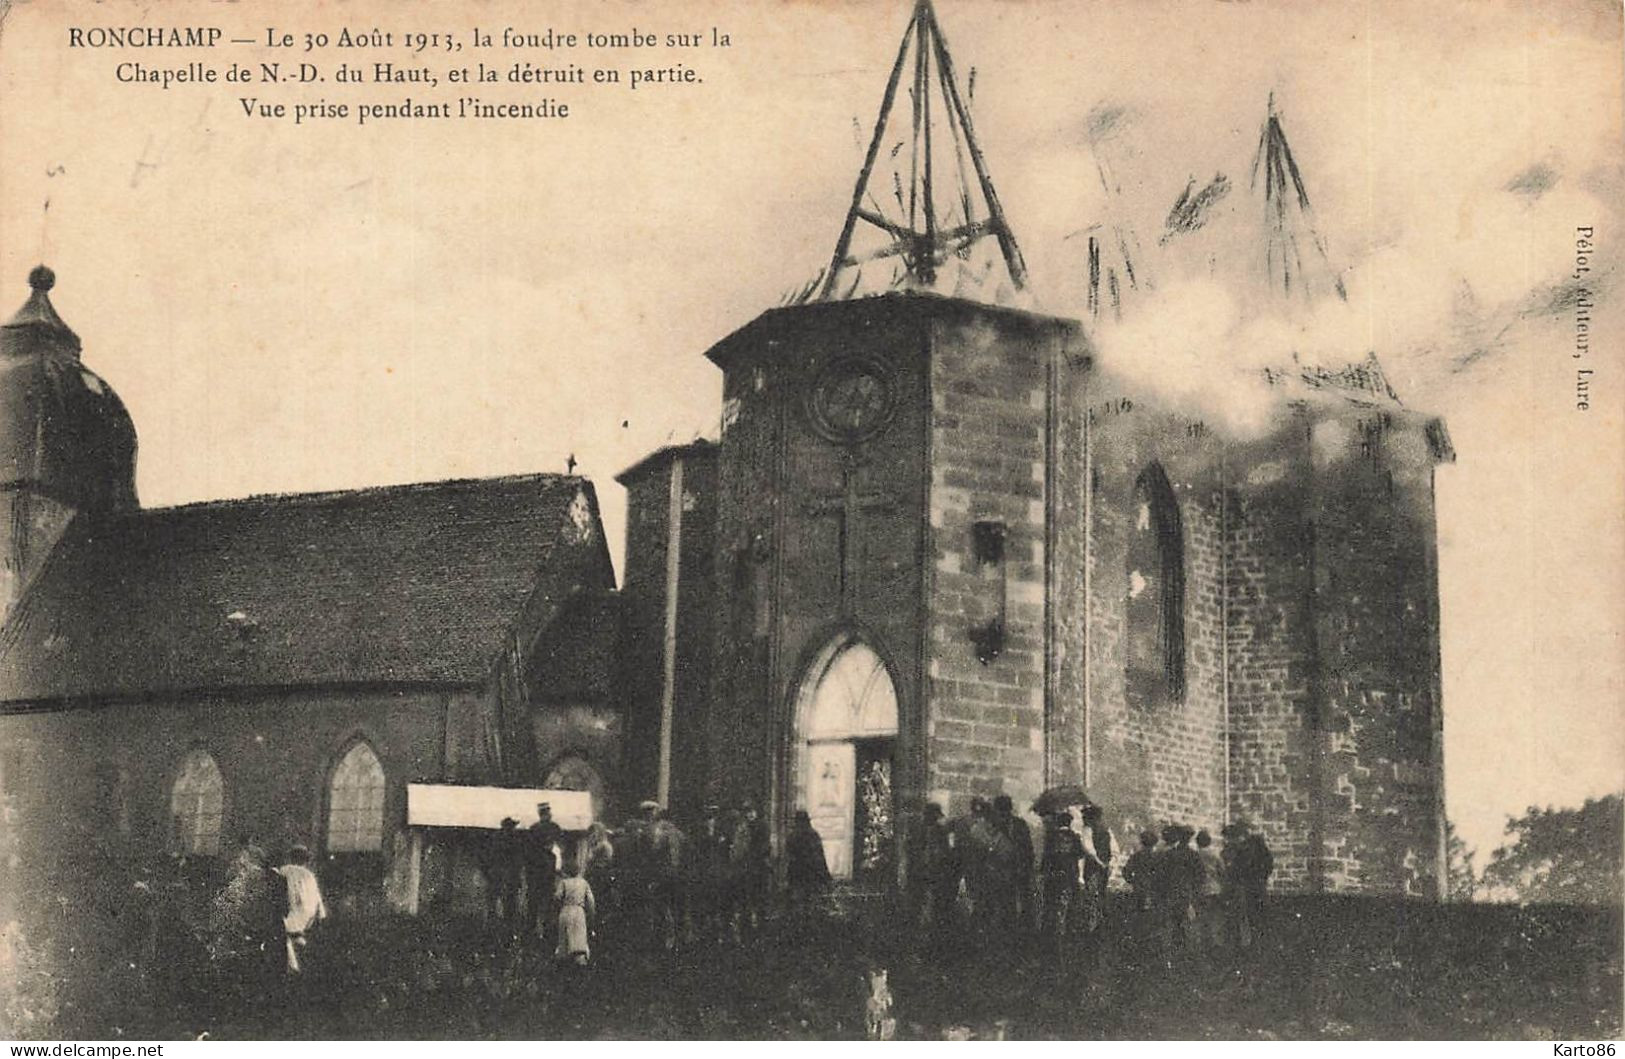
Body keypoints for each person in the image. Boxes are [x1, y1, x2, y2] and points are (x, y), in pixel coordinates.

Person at [272, 845, 327, 975]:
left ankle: (292, 967)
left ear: (291, 858)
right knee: (292, 932)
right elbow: (318, 898)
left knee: (281, 932)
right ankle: (297, 942)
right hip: (309, 915)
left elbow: (275, 875)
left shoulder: (286, 869)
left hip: (294, 913)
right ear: (305, 861)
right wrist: (320, 916)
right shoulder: (310, 875)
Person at [1221, 820, 1273, 949]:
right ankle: (1259, 943)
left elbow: (1239, 869)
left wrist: (1232, 870)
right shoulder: (1260, 847)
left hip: (1247, 886)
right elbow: (1269, 866)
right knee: (1258, 915)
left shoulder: (1245, 849)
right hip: (1259, 885)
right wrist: (1263, 878)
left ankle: (1250, 944)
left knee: (1249, 915)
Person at [1038, 810, 1083, 952]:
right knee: (1070, 902)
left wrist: (1043, 871)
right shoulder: (1075, 837)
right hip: (1070, 874)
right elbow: (1080, 854)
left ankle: (1050, 931)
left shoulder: (1051, 836)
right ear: (1070, 823)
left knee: (1051, 902)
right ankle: (1068, 930)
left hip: (1053, 875)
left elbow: (1046, 857)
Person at [907, 802, 955, 935]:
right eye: (933, 817)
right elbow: (912, 852)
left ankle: (929, 932)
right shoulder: (918, 829)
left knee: (933, 904)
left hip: (934, 872)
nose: (935, 820)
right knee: (918, 903)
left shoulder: (940, 831)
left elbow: (945, 853)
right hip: (920, 872)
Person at [991, 795, 1034, 933]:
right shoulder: (998, 825)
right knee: (1006, 902)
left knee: (1016, 901)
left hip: (1014, 869)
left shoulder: (1016, 824)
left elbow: (1027, 849)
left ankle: (1015, 930)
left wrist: (1025, 867)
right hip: (1004, 870)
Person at [730, 801, 772, 939]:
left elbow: (765, 847)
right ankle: (748, 926)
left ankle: (759, 925)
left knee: (758, 897)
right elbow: (738, 848)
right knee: (746, 897)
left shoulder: (762, 826)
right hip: (747, 867)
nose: (750, 814)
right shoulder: (743, 827)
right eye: (748, 812)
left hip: (757, 867)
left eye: (752, 811)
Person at [526, 803, 565, 941]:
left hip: (534, 872)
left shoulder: (533, 829)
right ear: (546, 814)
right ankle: (547, 930)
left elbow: (528, 851)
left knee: (534, 902)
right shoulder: (554, 828)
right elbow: (561, 846)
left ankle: (531, 930)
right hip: (547, 871)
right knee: (547, 901)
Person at [1077, 804, 1116, 939]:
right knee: (1100, 893)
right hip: (1104, 866)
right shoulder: (1107, 830)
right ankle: (1100, 926)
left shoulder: (1088, 829)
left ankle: (1092, 927)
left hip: (1094, 867)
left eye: (1084, 817)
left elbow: (1089, 849)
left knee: (1092, 894)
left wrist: (1099, 862)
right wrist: (1109, 864)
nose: (1083, 819)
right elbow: (1115, 849)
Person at [785, 810, 831, 919]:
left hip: (796, 871)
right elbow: (819, 856)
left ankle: (798, 920)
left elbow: (788, 855)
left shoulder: (792, 836)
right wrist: (825, 874)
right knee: (811, 899)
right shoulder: (813, 835)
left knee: (797, 899)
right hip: (811, 871)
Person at [553, 859, 597, 965]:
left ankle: (564, 967)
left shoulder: (563, 883)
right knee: (578, 942)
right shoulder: (583, 883)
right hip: (579, 912)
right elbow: (591, 901)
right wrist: (591, 916)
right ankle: (579, 968)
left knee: (564, 941)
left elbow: (557, 897)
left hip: (566, 911)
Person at [490, 818, 525, 928]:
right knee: (506, 905)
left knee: (503, 904)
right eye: (512, 827)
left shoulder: (499, 839)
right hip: (506, 877)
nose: (514, 829)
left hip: (502, 877)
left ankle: (501, 927)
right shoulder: (510, 841)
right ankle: (505, 928)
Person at [1194, 828, 1225, 948]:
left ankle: (1202, 940)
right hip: (1214, 888)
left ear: (1197, 842)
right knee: (1214, 916)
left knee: (1200, 915)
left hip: (1199, 889)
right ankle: (1213, 941)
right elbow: (1222, 871)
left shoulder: (1195, 855)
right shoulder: (1214, 855)